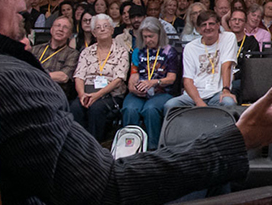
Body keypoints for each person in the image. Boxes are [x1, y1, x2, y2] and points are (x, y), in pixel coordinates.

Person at [71, 14, 130, 141]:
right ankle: (78, 146)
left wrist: (97, 96)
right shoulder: (86, 52)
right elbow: (79, 76)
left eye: (105, 26)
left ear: (112, 30)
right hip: (87, 92)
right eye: (98, 27)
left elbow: (118, 80)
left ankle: (94, 147)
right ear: (93, 33)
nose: (102, 29)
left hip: (110, 95)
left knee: (96, 108)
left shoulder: (121, 51)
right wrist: (82, 95)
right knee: (75, 107)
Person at [122, 19, 181, 147]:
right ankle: (130, 147)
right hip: (141, 91)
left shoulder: (169, 51)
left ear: (159, 35)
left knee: (150, 110)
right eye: (145, 37)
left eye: (151, 36)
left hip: (162, 91)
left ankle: (153, 147)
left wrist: (154, 82)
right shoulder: (138, 51)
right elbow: (134, 73)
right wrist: (132, 87)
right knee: (129, 108)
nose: (148, 40)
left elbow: (171, 78)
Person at [166, 11, 239, 110]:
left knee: (229, 102)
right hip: (193, 96)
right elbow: (187, 80)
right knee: (170, 105)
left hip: (218, 93)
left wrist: (226, 90)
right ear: (199, 30)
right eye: (204, 25)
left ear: (218, 25)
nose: (208, 27)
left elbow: (227, 65)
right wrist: (199, 102)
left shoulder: (228, 38)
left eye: (211, 24)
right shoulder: (190, 47)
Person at [32, 15, 79, 103]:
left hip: (53, 93)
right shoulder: (35, 49)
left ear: (69, 34)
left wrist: (36, 76)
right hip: (32, 88)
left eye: (65, 27)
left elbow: (63, 77)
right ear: (51, 29)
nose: (60, 29)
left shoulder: (72, 54)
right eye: (58, 25)